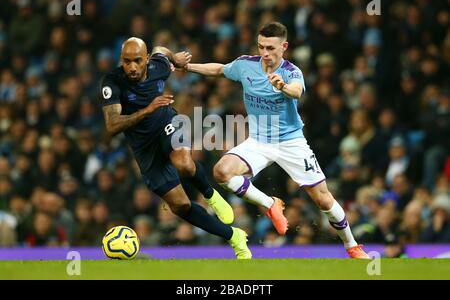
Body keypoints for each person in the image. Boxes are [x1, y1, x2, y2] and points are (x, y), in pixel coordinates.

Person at [184, 22, 369, 258]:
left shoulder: (292, 72)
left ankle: (351, 245)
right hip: (260, 140)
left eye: (271, 48)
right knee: (222, 172)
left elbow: (297, 91)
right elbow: (219, 69)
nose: (265, 53)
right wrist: (187, 67)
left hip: (291, 142)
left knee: (323, 200)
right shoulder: (245, 65)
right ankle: (271, 204)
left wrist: (282, 87)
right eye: (261, 47)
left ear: (284, 47)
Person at [100, 37, 251, 259]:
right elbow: (112, 125)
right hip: (144, 148)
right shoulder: (112, 81)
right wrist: (147, 110)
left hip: (167, 125)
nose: (132, 67)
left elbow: (161, 49)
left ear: (147, 59)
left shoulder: (158, 65)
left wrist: (176, 57)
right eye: (126, 61)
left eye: (137, 61)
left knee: (183, 163)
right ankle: (234, 237)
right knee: (179, 206)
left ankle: (211, 196)